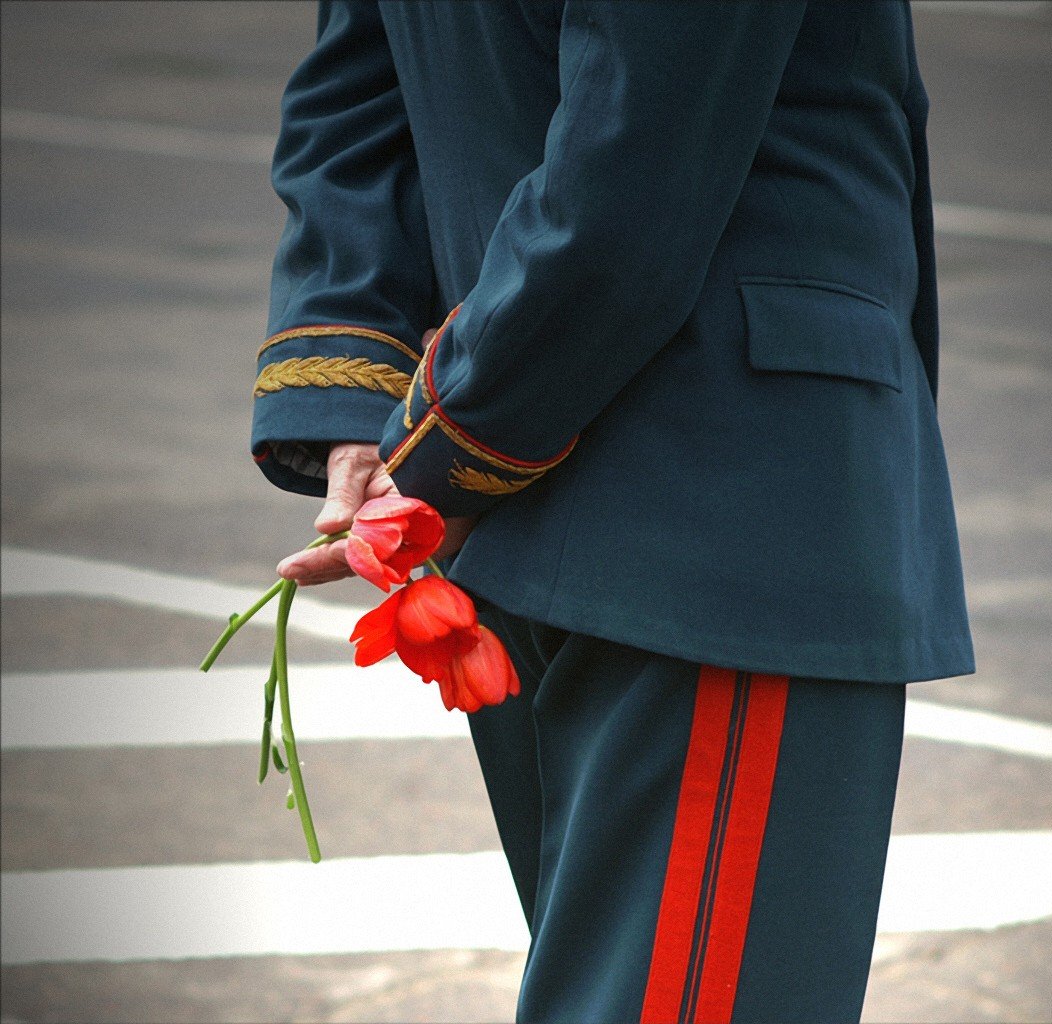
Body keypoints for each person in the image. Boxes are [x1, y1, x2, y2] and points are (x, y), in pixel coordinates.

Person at [252, 2, 974, 1021]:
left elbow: (353, 101)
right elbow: (631, 162)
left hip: (512, 479)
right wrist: (438, 454)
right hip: (725, 489)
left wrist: (381, 418)